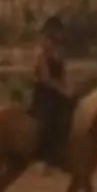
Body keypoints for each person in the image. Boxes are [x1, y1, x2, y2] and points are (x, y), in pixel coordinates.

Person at [28, 15, 74, 168]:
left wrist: (66, 90)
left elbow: (62, 74)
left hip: (58, 90)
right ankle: (42, 156)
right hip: (44, 91)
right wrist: (62, 90)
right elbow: (45, 77)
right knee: (49, 118)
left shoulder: (60, 50)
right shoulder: (40, 50)